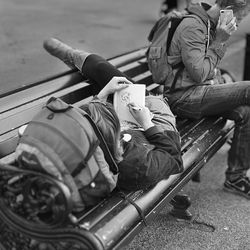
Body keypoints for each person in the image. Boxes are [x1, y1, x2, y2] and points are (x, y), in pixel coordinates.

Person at [43, 38, 183, 191]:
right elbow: (175, 158)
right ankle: (75, 57)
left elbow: (87, 120)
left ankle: (77, 59)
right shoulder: (140, 166)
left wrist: (104, 93)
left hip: (130, 133)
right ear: (119, 129)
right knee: (136, 93)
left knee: (107, 77)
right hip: (158, 131)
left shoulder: (89, 142)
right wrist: (147, 123)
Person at [162, 0, 250, 199]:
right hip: (183, 98)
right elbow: (199, 74)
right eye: (240, 17)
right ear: (228, 11)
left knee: (245, 111)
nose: (238, 23)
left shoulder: (210, 25)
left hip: (201, 92)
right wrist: (220, 41)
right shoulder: (193, 26)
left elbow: (209, 72)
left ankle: (235, 178)